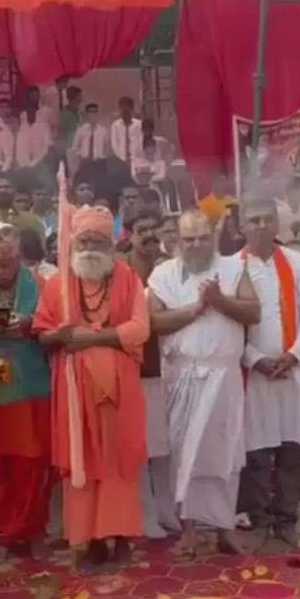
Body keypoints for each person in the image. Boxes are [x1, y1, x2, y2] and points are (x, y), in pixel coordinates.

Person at [33, 205, 149, 568]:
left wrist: (90, 339)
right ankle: (90, 541)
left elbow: (140, 329)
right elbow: (42, 332)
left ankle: (121, 537)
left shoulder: (128, 278)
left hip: (119, 391)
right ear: (72, 243)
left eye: (98, 240)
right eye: (83, 240)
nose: (90, 247)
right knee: (81, 462)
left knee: (117, 461)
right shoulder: (58, 285)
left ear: (112, 244)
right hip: (74, 391)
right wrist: (58, 336)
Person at [149, 211, 258, 555]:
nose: (196, 245)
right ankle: (190, 533)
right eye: (189, 239)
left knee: (226, 454)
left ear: (213, 237)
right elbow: (153, 321)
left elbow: (254, 312)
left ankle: (225, 530)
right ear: (176, 241)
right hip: (184, 376)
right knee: (186, 457)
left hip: (224, 376)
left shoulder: (233, 267)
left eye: (202, 238)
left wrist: (220, 301)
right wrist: (196, 309)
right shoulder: (162, 274)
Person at [0, 224, 54, 556]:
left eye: (7, 265)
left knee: (32, 461)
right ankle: (5, 528)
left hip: (34, 385)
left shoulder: (42, 286)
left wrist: (34, 327)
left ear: (19, 259)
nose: (0, 273)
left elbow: (56, 328)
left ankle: (30, 530)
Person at [233, 198, 300, 546]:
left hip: (293, 370)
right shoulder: (232, 267)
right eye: (253, 219)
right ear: (241, 227)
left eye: (267, 219)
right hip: (255, 374)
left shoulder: (296, 263)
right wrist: (255, 359)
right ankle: (261, 521)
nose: (261, 225)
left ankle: (287, 520)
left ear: (278, 224)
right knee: (257, 451)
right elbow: (229, 326)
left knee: (291, 448)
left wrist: (294, 355)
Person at [121, 212, 179, 540]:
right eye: (142, 230)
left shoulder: (169, 268)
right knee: (141, 446)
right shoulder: (120, 271)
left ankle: (167, 509)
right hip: (134, 370)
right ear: (129, 235)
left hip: (168, 367)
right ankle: (145, 513)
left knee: (166, 445)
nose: (149, 236)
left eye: (152, 230)